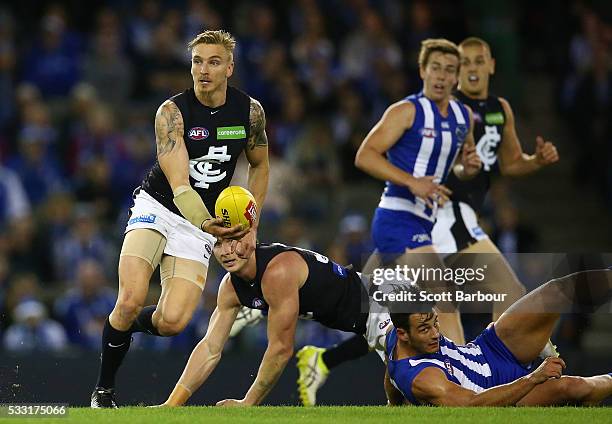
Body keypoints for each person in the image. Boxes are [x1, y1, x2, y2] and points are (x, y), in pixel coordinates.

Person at [296, 38, 482, 406]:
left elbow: (458, 164)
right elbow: (364, 155)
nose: (442, 76)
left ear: (458, 76)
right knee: (442, 304)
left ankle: (369, 387)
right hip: (397, 217)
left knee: (390, 317)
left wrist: (467, 167)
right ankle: (467, 395)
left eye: (450, 70)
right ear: (422, 71)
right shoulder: (406, 112)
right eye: (436, 68)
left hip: (426, 222)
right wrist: (412, 182)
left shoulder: (463, 118)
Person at [90, 30, 270, 408]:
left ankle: (124, 327)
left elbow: (260, 164)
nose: (203, 70)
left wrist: (252, 223)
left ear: (230, 68)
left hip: (201, 222)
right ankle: (103, 391)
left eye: (214, 62)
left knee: (172, 322)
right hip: (159, 206)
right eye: (197, 61)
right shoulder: (172, 113)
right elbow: (180, 184)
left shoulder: (249, 112)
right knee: (131, 296)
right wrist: (208, 225)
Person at [158, 238, 382, 407]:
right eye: (218, 244)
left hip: (382, 303)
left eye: (233, 241)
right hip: (366, 321)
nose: (226, 251)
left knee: (413, 385)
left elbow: (281, 349)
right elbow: (210, 347)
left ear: (250, 237)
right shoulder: (230, 287)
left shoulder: (278, 270)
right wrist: (172, 404)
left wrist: (248, 403)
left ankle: (256, 313)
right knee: (402, 395)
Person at [432, 36, 559, 317]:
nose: (473, 68)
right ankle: (492, 359)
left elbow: (511, 163)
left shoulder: (500, 109)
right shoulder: (449, 108)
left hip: (462, 216)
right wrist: (463, 169)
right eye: (465, 62)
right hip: (442, 212)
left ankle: (484, 359)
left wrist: (535, 160)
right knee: (505, 292)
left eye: (479, 61)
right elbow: (437, 162)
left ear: (491, 65)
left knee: (498, 295)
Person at [383, 268, 612, 406]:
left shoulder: (395, 335)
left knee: (557, 290)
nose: (435, 334)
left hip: (490, 347)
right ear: (404, 334)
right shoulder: (423, 378)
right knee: (575, 387)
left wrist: (393, 404)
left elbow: (390, 370)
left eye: (435, 323)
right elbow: (472, 404)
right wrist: (533, 378)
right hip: (500, 390)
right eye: (425, 329)